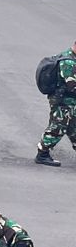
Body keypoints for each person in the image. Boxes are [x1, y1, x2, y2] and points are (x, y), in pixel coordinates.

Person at [35, 37, 76, 166]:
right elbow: (72, 85)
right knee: (58, 126)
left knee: (73, 127)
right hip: (63, 101)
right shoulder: (68, 62)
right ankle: (42, 153)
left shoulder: (71, 58)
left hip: (70, 101)